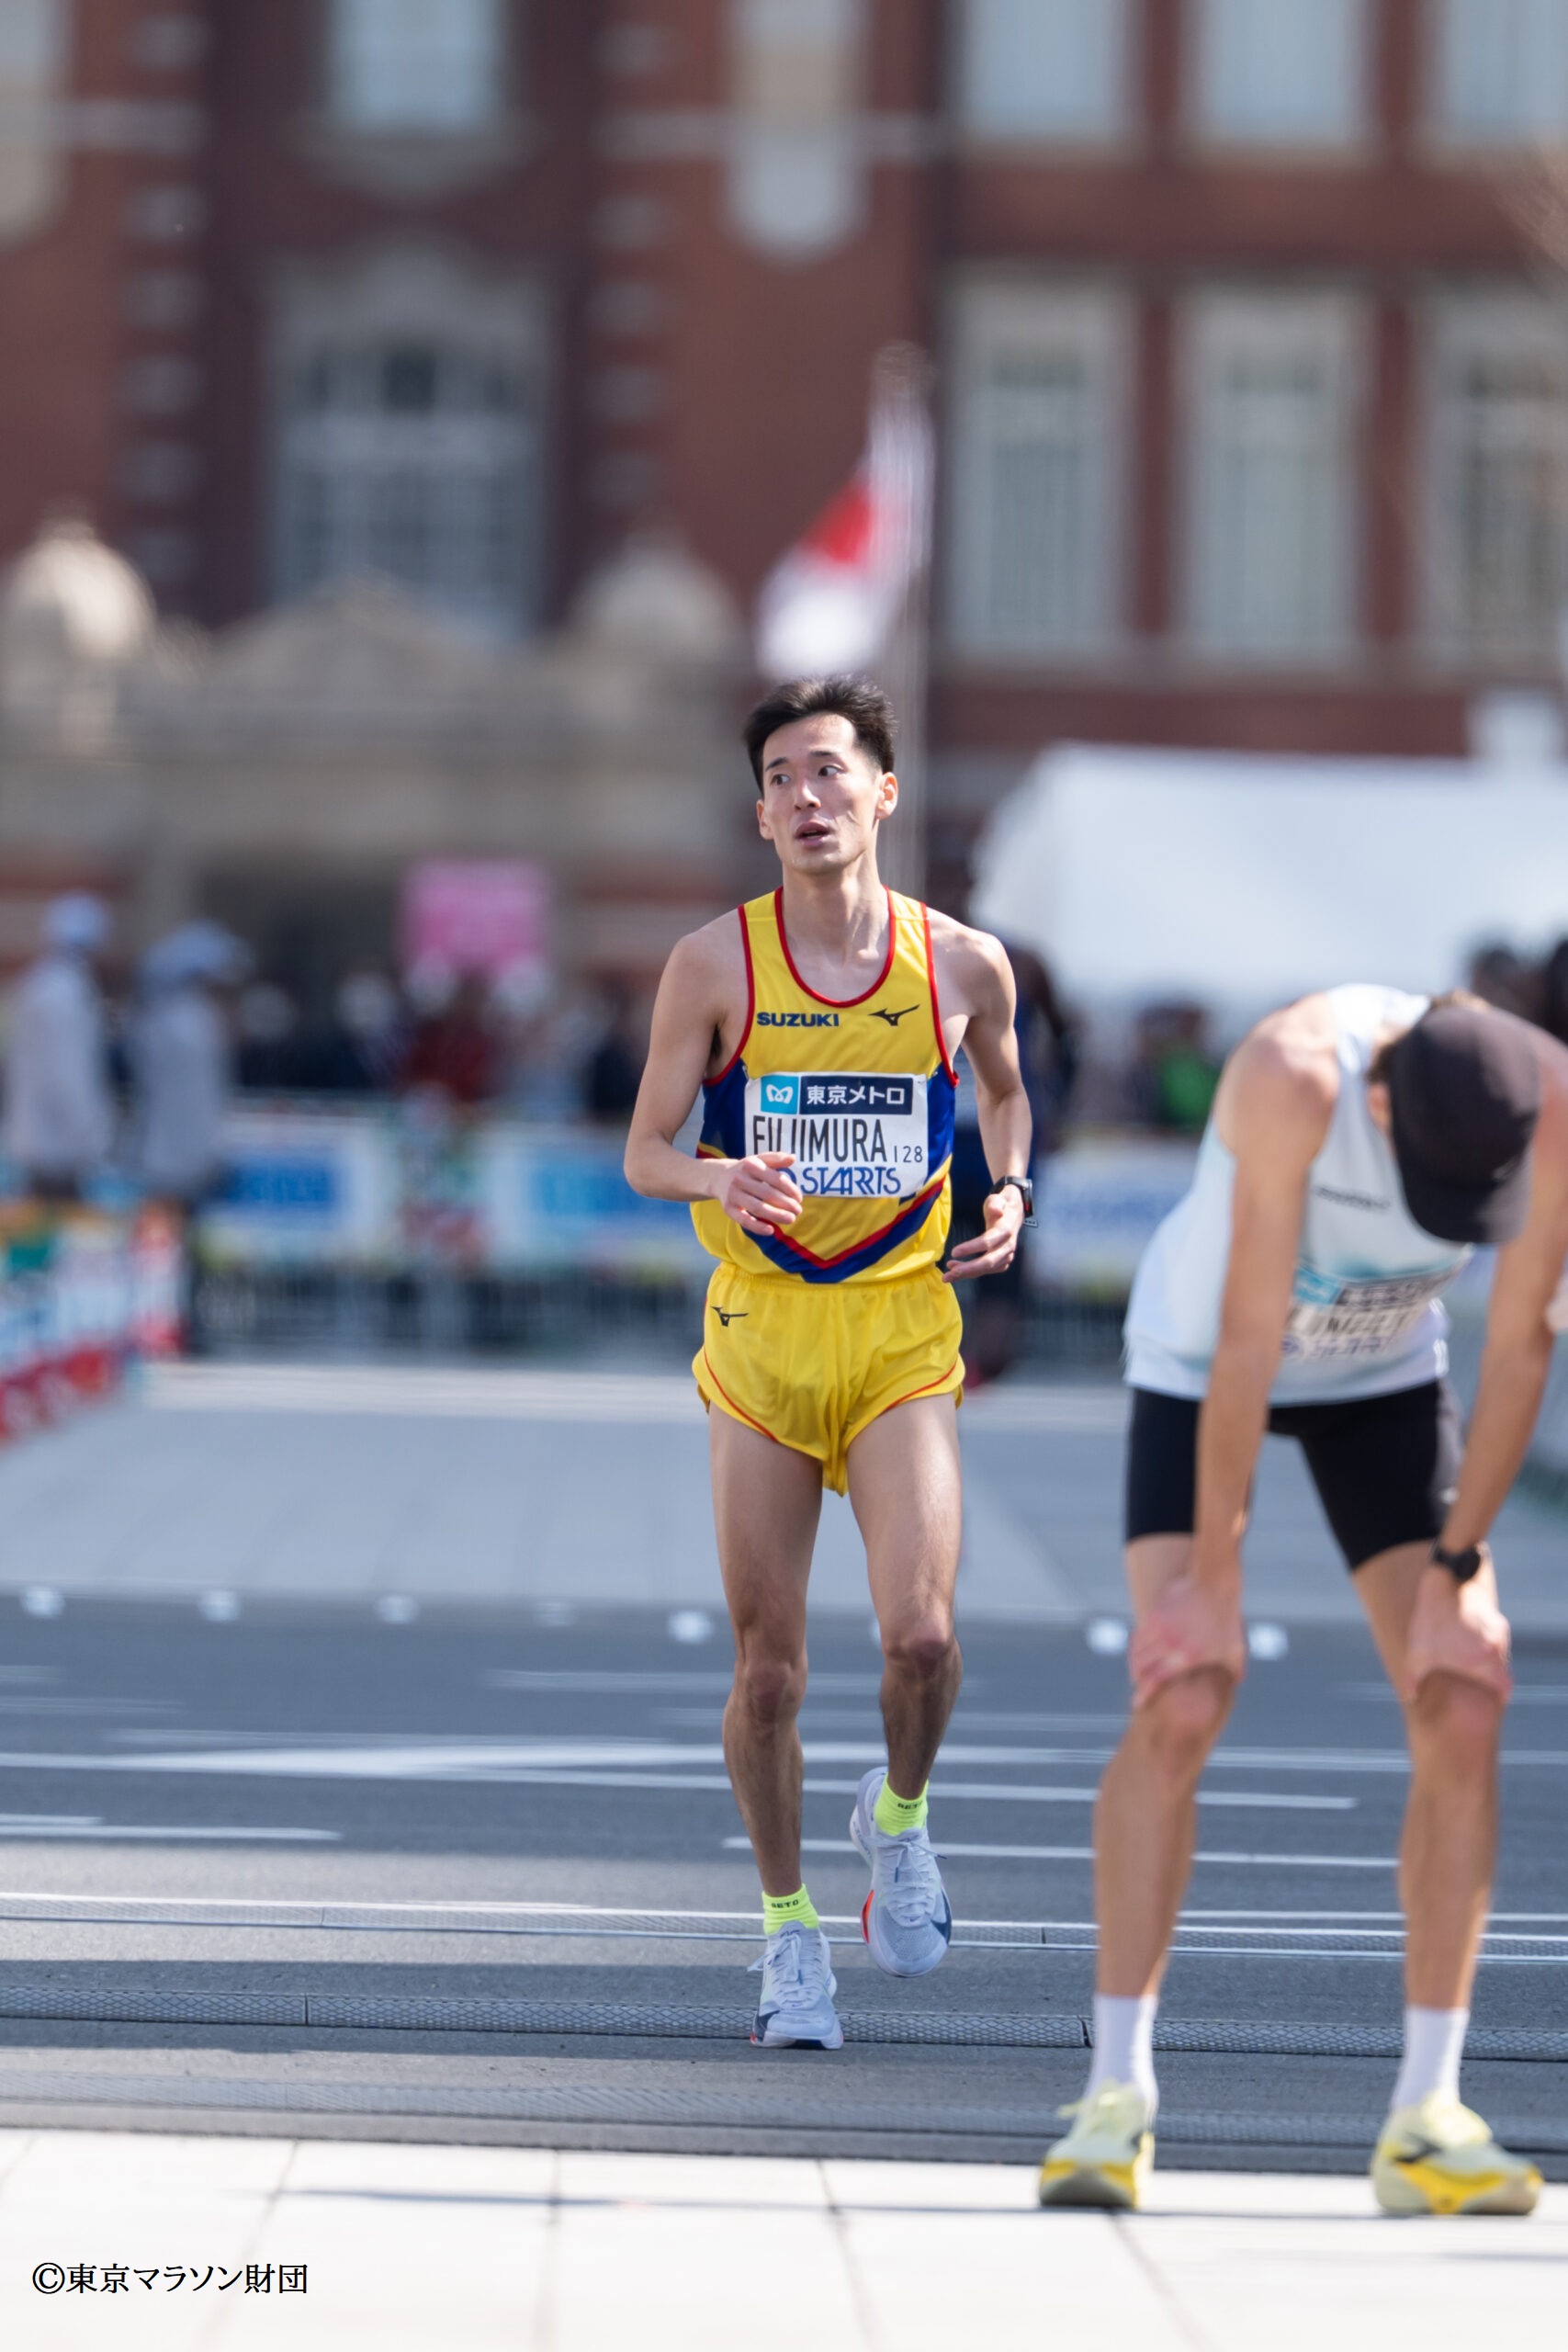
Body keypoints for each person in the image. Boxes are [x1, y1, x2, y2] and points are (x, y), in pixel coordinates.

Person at [1037, 986, 1568, 2218]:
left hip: (1382, 1377)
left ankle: (1424, 2118)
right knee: (1185, 1689)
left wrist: (1455, 1573)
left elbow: (1518, 1345)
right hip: (1202, 1361)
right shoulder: (1291, 1078)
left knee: (1460, 1697)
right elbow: (1239, 1340)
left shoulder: (1545, 1097)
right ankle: (1112, 2094)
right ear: (1375, 1103)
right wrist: (1210, 1587)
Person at [625, 675, 1032, 2051]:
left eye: (829, 772)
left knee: (921, 1640)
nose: (808, 797)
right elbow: (641, 1153)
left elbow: (1004, 1089)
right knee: (771, 1677)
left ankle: (899, 1822)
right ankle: (788, 1933)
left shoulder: (961, 961)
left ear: (882, 794)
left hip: (904, 1330)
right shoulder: (713, 965)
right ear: (759, 814)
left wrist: (1011, 1186)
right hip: (762, 1341)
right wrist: (716, 1176)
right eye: (783, 779)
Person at [2, 893, 115, 1202]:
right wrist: (94, 1140)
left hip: (36, 1139)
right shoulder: (66, 994)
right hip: (58, 1148)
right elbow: (69, 1075)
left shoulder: (37, 984)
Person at [130, 922, 247, 1211]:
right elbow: (202, 1099)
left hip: (162, 1156)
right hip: (187, 1161)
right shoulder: (195, 1024)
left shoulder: (161, 1020)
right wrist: (213, 1152)